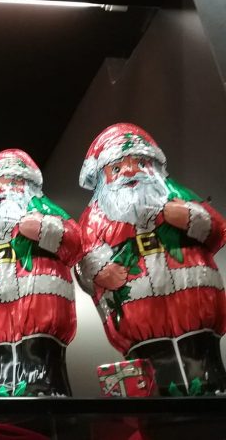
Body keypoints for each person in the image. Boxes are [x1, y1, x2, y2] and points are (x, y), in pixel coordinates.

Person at [77, 123, 226, 395]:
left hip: (195, 306)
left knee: (205, 374)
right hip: (139, 319)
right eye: (117, 168)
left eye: (141, 163)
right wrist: (100, 270)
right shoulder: (95, 216)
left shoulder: (177, 196)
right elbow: (84, 257)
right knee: (156, 384)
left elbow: (216, 230)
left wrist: (189, 216)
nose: (130, 171)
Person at [0, 149, 80, 396]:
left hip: (41, 309)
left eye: (11, 182)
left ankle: (42, 384)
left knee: (39, 359)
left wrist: (45, 229)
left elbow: (75, 242)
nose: (1, 190)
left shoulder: (45, 211)